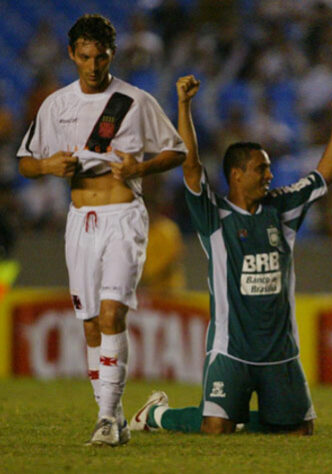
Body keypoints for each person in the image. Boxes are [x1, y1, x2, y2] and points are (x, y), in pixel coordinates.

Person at [128, 75, 332, 435]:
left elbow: (323, 176)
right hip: (231, 349)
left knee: (300, 432)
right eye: (261, 168)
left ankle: (246, 421)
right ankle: (155, 416)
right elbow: (191, 166)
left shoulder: (281, 208)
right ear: (236, 174)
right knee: (215, 426)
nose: (270, 174)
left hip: (279, 351)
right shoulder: (213, 215)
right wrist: (184, 106)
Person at [16, 14, 186, 446]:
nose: (93, 66)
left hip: (123, 216)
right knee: (91, 324)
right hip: (80, 222)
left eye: (102, 57)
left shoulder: (134, 101)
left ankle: (107, 418)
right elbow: (26, 162)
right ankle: (110, 417)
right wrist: (49, 165)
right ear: (73, 54)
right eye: (86, 56)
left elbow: (177, 151)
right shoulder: (56, 105)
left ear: (114, 54)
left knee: (113, 314)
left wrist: (141, 167)